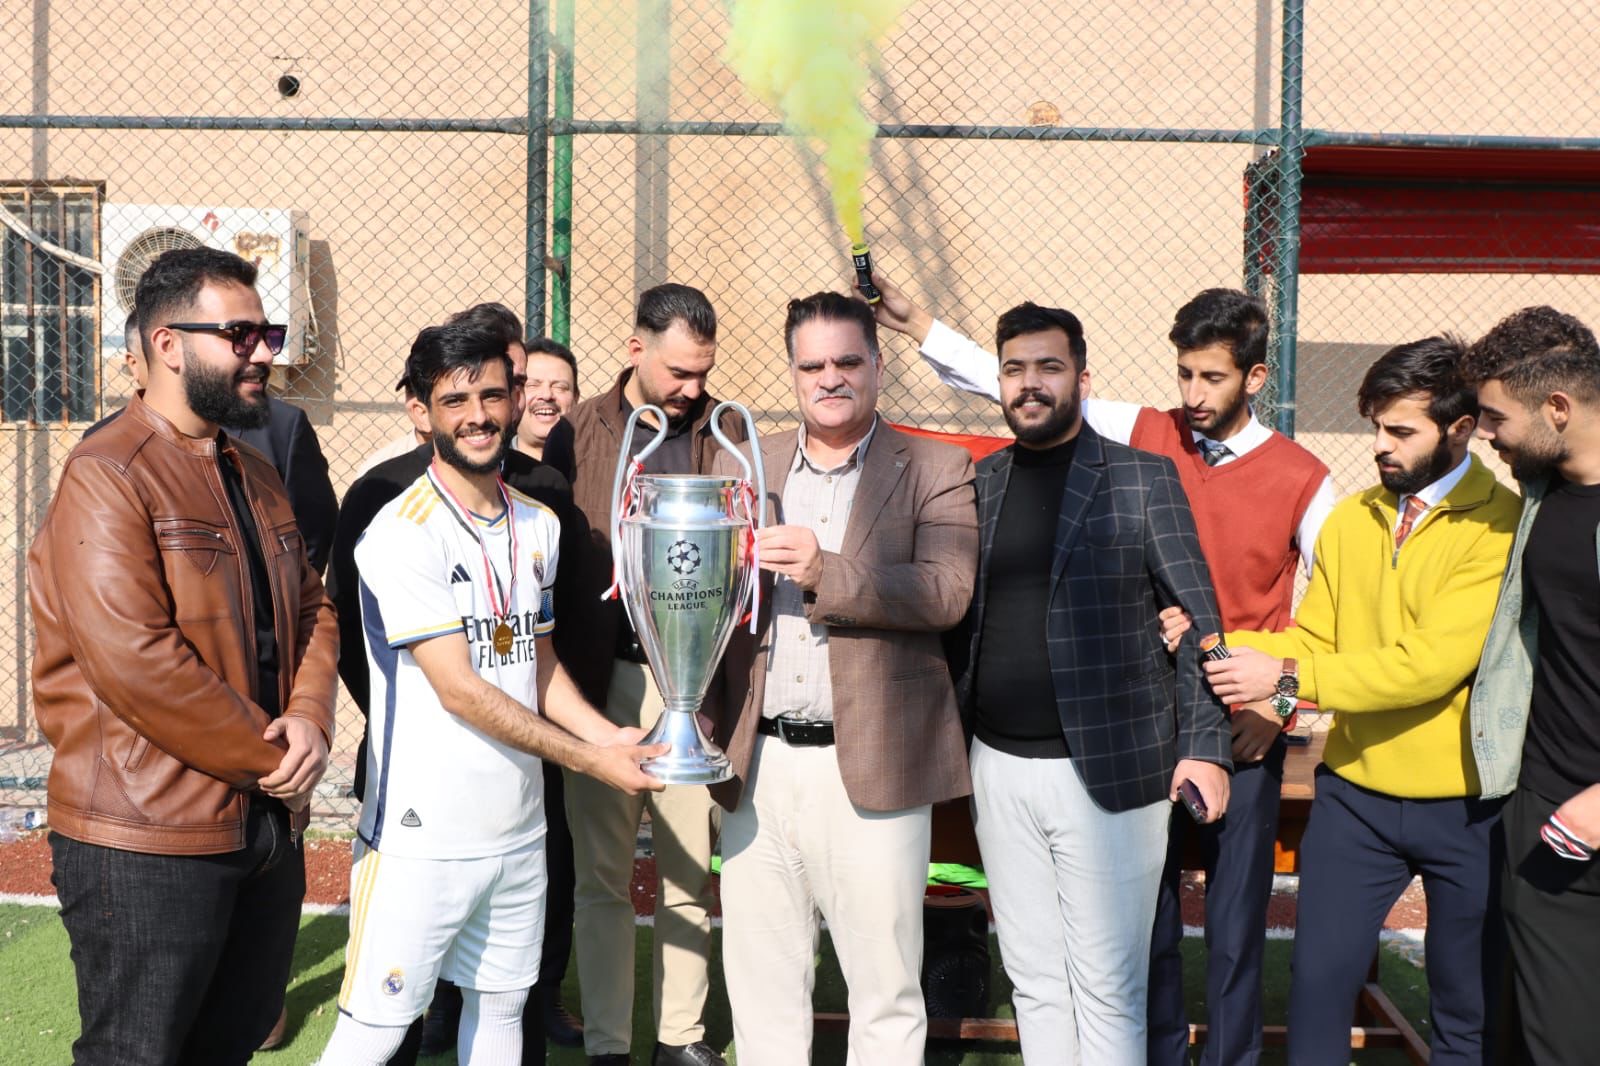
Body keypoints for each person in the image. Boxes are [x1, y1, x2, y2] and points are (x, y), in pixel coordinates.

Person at [869, 276, 1332, 1065]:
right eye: (1183, 373)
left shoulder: (1233, 476)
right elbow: (1005, 380)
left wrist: (1261, 714)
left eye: (1211, 376)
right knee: (1052, 975)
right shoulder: (1028, 468)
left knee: (1170, 967)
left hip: (1172, 751)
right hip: (1014, 763)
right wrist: (918, 325)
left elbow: (1267, 621)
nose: (1192, 393)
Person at [316, 321, 666, 1066]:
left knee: (503, 1012)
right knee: (373, 1035)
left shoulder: (538, 524)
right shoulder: (401, 532)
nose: (477, 416)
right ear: (422, 412)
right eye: (455, 400)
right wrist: (590, 761)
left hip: (517, 831)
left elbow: (536, 665)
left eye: (491, 396)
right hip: (420, 838)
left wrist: (609, 736)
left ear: (514, 400)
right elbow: (461, 690)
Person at [30, 247, 338, 1064]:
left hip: (265, 824)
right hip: (145, 837)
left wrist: (310, 717)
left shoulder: (257, 471)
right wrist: (275, 759)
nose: (263, 352)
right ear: (168, 344)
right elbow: (136, 662)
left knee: (229, 1044)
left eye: (267, 333)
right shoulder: (107, 472)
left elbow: (314, 606)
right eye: (241, 335)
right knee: (138, 1053)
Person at [1203, 336, 1519, 1065]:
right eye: (1375, 426)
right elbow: (1316, 639)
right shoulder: (1352, 518)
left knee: (1464, 1008)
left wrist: (1280, 684)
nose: (1379, 444)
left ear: (1461, 428)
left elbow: (1424, 669)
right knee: (1316, 990)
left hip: (1468, 805)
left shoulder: (1500, 524)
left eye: (1399, 430)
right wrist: (1214, 639)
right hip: (1354, 799)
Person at [943, 300, 1230, 1063]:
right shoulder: (979, 483)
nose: (1029, 383)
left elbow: (1202, 623)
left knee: (1107, 987)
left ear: (1082, 378)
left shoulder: (1143, 479)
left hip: (1110, 773)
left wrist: (1206, 748)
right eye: (1014, 368)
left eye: (1048, 366)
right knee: (1034, 980)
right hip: (997, 768)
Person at [710, 290, 977, 1065]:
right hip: (757, 762)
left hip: (875, 764)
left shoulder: (935, 466)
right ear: (793, 372)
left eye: (847, 362)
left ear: (879, 366)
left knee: (885, 991)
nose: (829, 378)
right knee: (761, 988)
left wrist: (826, 572)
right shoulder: (746, 463)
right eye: (812, 365)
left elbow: (946, 592)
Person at [565, 283, 745, 1066]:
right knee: (602, 877)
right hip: (602, 687)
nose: (693, 388)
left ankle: (681, 1038)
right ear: (636, 350)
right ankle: (608, 1042)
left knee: (687, 874)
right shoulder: (576, 433)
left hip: (694, 691)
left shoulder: (725, 436)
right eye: (679, 371)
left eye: (704, 371)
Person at [1461, 307, 1600, 1065]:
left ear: (1558, 408)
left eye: (1495, 417)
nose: (1486, 434)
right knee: (1553, 1038)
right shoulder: (1539, 492)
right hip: (1546, 805)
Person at [85, 310, 339, 575]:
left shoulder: (282, 427)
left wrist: (280, 594)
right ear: (134, 365)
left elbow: (314, 535)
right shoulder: (101, 447)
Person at [515, 336, 580, 482]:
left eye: (560, 387)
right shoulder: (495, 469)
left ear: (576, 397)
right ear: (515, 396)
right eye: (532, 385)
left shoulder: (592, 466)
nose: (546, 395)